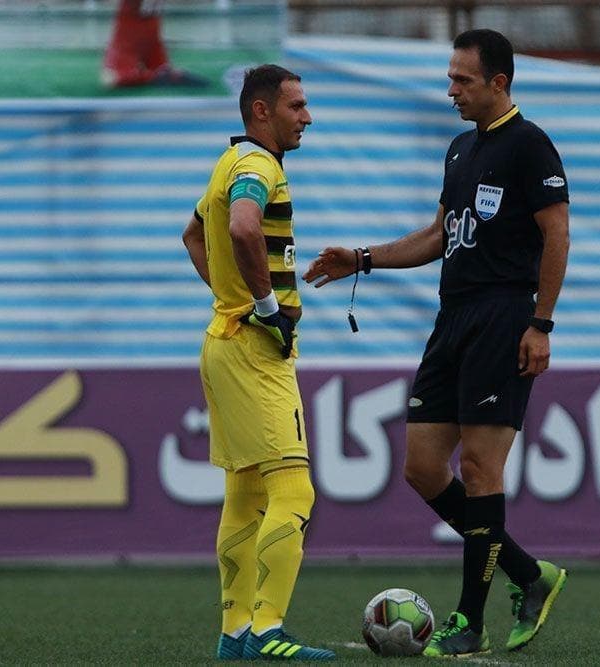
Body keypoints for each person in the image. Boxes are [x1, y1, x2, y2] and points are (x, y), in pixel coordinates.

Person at [303, 29, 570, 657]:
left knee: (479, 468)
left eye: (462, 80)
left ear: (498, 83)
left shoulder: (530, 145)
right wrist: (362, 258)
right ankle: (530, 575)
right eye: (450, 77)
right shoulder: (459, 149)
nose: (451, 90)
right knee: (422, 468)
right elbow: (438, 235)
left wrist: (541, 323)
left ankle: (469, 623)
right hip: (453, 320)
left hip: (504, 319)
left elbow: (557, 235)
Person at [182, 64, 333, 661]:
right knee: (294, 491)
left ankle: (236, 632)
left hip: (223, 341)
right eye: (296, 106)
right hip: (254, 350)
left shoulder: (228, 161)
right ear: (261, 111)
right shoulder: (258, 166)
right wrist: (264, 306)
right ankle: (269, 631)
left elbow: (193, 234)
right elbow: (243, 227)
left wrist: (232, 296)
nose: (307, 117)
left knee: (244, 493)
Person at [102, 0, 206, 88]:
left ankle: (156, 75)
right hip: (147, 39)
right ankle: (162, 74)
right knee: (112, 78)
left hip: (131, 42)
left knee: (111, 77)